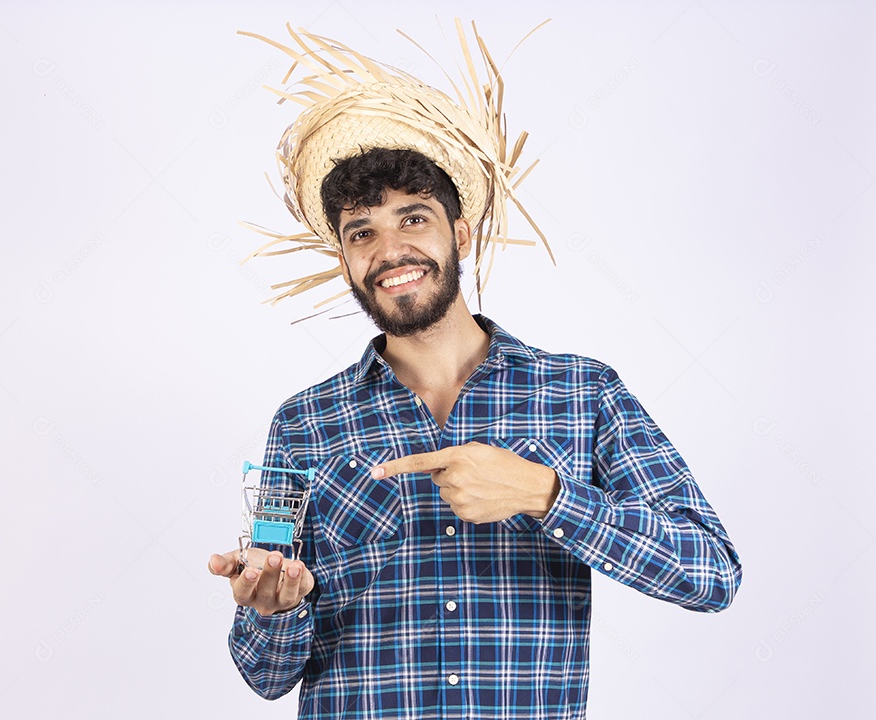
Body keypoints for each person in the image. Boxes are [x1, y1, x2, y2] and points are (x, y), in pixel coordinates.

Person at [208, 23, 741, 719]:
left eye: (414, 219)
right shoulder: (304, 424)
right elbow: (267, 674)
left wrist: (546, 493)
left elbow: (710, 573)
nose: (390, 249)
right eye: (361, 231)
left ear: (459, 233)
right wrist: (273, 608)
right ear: (343, 257)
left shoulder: (583, 394)